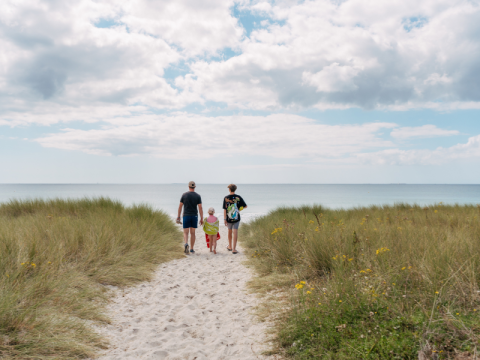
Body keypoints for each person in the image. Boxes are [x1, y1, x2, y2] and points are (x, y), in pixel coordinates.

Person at [177, 181, 203, 254]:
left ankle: (186, 243)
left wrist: (178, 216)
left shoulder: (184, 195)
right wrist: (201, 218)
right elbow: (200, 207)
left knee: (185, 232)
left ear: (188, 187)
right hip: (194, 216)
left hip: (186, 215)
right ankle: (191, 249)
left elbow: (180, 206)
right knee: (193, 233)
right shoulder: (198, 196)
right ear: (194, 187)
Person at [223, 184, 247, 254]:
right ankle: (234, 249)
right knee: (235, 232)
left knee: (229, 231)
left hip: (229, 218)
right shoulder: (238, 197)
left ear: (229, 189)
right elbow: (245, 206)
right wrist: (238, 210)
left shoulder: (226, 198)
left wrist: (224, 219)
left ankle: (230, 246)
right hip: (236, 217)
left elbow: (225, 209)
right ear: (235, 189)